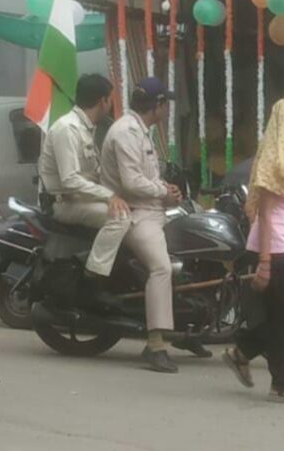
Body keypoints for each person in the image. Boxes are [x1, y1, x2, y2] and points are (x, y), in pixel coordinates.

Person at [223, 96, 284, 405]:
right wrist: (264, 263)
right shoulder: (272, 161)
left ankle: (242, 352)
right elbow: (265, 215)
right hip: (273, 246)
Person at [99, 77, 187, 374]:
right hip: (135, 213)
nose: (167, 110)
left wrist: (169, 192)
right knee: (161, 267)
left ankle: (184, 329)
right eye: (166, 104)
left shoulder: (141, 131)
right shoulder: (125, 132)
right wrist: (163, 192)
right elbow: (131, 182)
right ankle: (156, 343)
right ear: (158, 106)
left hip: (153, 208)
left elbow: (146, 177)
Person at [38, 74, 132, 298]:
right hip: (65, 203)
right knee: (120, 217)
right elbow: (70, 180)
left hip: (82, 199)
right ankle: (94, 277)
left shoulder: (86, 128)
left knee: (130, 208)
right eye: (111, 99)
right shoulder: (67, 129)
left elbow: (94, 173)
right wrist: (109, 196)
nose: (111, 105)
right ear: (103, 101)